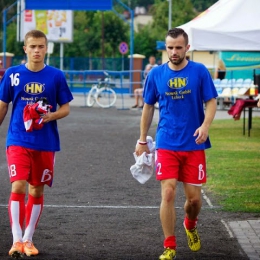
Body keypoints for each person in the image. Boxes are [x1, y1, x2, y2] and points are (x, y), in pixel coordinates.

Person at [135, 28, 217, 260]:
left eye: (178, 47)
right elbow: (148, 107)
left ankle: (190, 225)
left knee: (194, 200)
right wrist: (142, 140)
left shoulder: (199, 71)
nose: (173, 51)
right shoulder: (156, 74)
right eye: (170, 47)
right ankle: (169, 245)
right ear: (165, 48)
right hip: (167, 142)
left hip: (194, 144)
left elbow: (211, 102)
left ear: (186, 48)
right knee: (168, 193)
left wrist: (205, 126)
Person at [0, 29, 73, 258]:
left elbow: (66, 108)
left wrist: (49, 116)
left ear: (46, 48)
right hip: (18, 139)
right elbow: (3, 105)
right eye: (32, 46)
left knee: (36, 189)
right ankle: (17, 240)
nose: (37, 51)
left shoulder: (56, 76)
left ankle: (29, 239)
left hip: (45, 141)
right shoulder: (12, 75)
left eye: (41, 46)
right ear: (25, 49)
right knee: (18, 185)